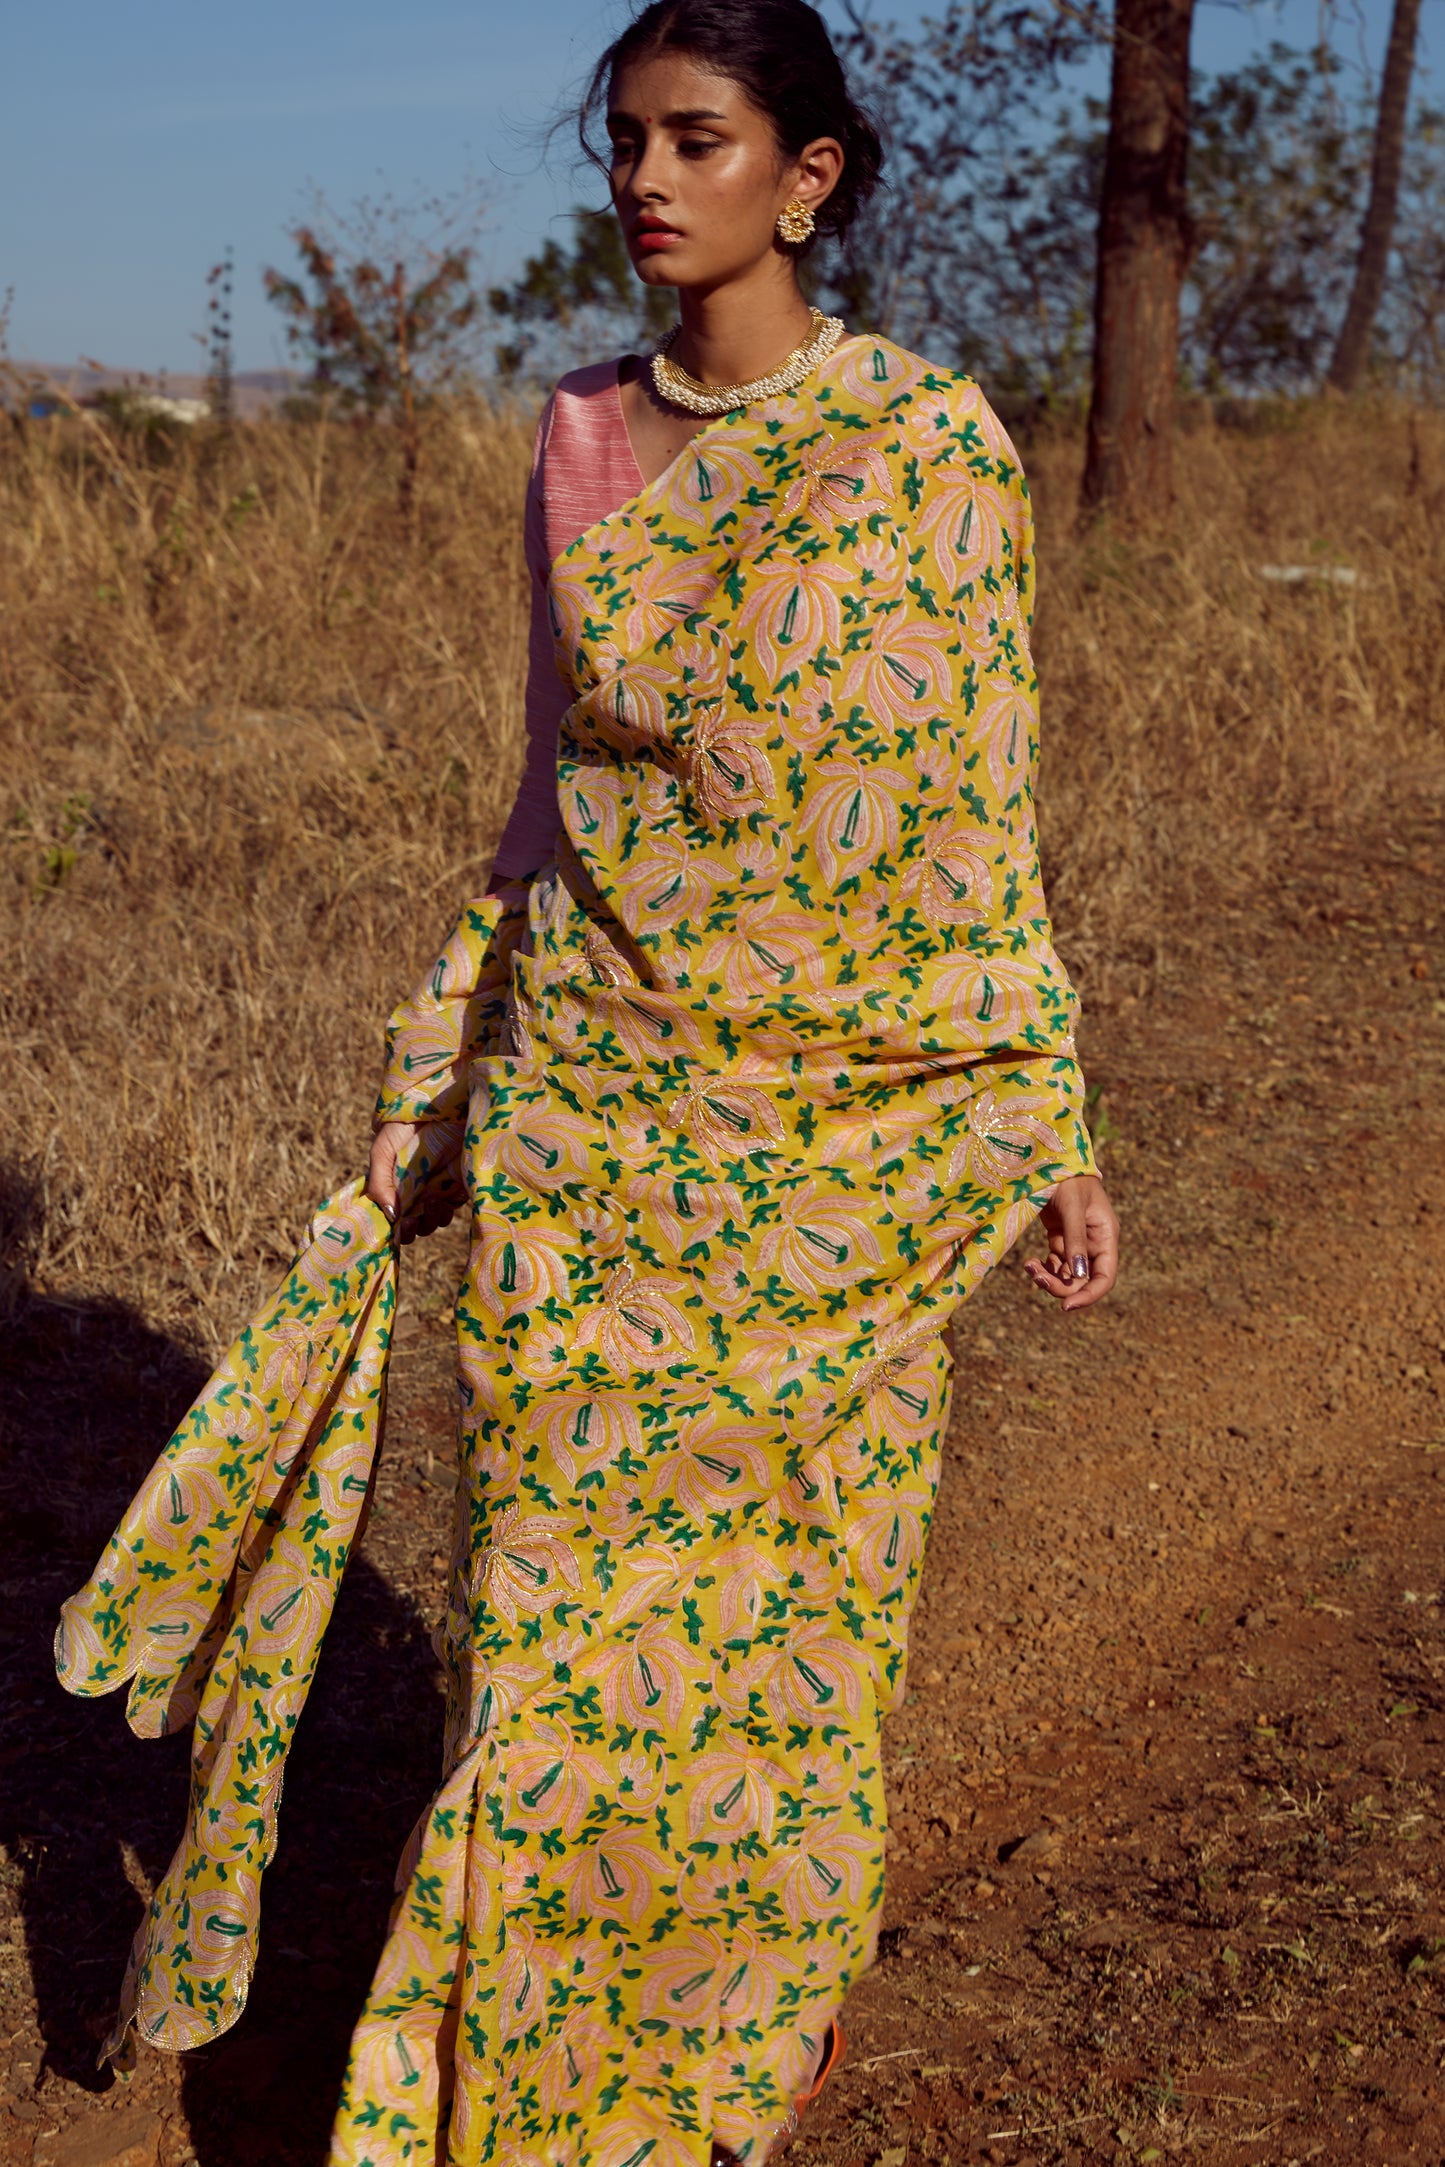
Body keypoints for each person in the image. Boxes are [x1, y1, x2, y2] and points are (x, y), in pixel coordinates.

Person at [342, 1, 1122, 2157]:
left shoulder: (930, 448)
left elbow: (978, 807)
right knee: (558, 1621)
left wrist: (1042, 1108)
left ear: (810, 175)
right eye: (625, 142)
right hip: (599, 1114)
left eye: (697, 138)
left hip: (846, 1137)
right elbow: (539, 795)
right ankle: (516, 2076)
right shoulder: (581, 434)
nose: (646, 179)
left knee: (795, 1608)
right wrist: (441, 1076)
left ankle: (734, 2045)